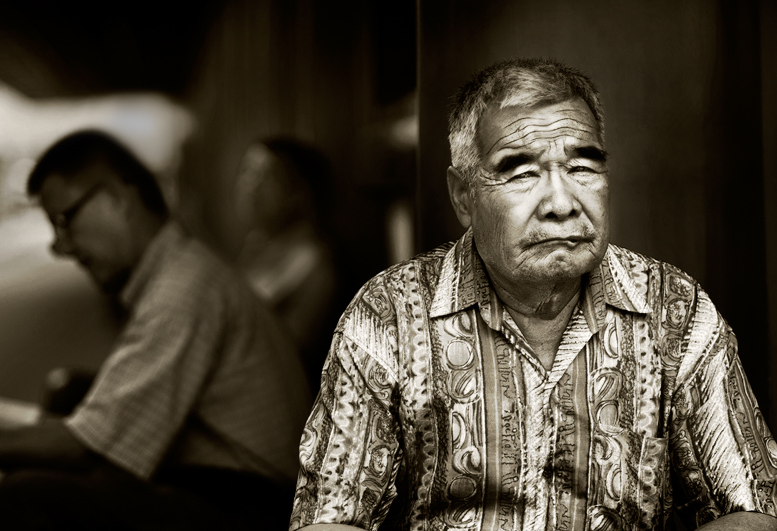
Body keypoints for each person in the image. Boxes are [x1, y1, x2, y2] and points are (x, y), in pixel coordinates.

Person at [288, 59, 777, 530]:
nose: (562, 204)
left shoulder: (675, 311)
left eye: (583, 168)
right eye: (521, 172)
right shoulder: (390, 315)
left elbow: (754, 509)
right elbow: (331, 519)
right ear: (463, 196)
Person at [0, 129, 311, 530]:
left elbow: (87, 448)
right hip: (226, 479)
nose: (60, 247)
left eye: (64, 220)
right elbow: (104, 420)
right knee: (69, 394)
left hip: (256, 508)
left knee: (28, 495)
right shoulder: (180, 269)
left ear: (118, 199)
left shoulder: (182, 289)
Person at [234, 138, 340, 385]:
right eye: (247, 171)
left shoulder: (315, 264)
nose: (252, 185)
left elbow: (289, 352)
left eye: (268, 176)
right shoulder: (255, 248)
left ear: (300, 192)